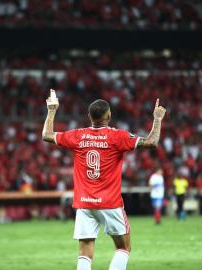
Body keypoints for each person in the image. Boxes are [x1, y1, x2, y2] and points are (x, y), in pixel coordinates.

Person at [42, 90, 166, 270]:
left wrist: (52, 110)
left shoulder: (78, 135)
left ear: (89, 116)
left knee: (85, 251)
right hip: (110, 203)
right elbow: (152, 142)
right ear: (109, 115)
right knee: (123, 247)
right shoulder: (118, 136)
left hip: (84, 203)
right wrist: (157, 119)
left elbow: (47, 134)